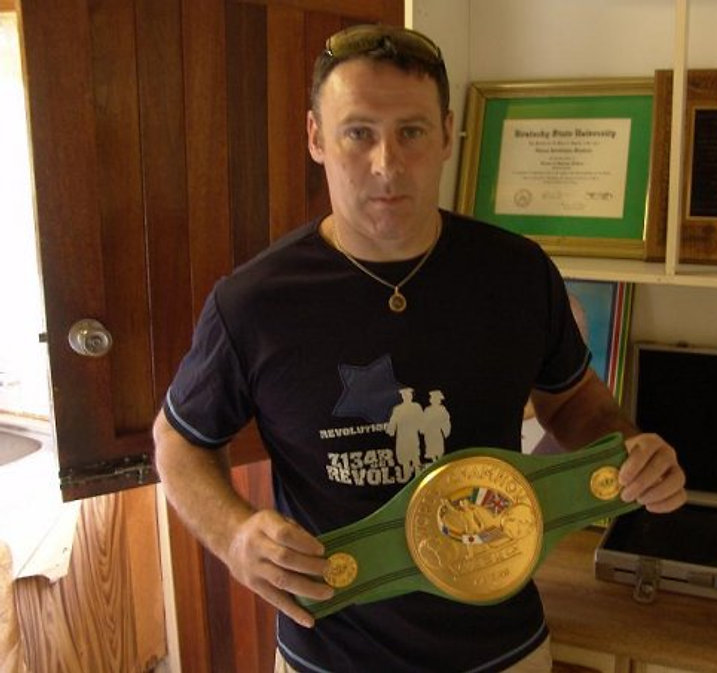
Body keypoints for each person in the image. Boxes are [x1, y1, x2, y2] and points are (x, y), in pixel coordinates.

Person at [153, 23, 686, 673]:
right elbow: (177, 442)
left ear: (448, 135)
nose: (386, 164)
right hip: (330, 657)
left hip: (503, 651)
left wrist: (630, 450)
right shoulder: (252, 303)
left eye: (411, 131)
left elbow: (575, 403)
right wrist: (234, 535)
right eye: (358, 132)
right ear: (316, 137)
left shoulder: (518, 274)